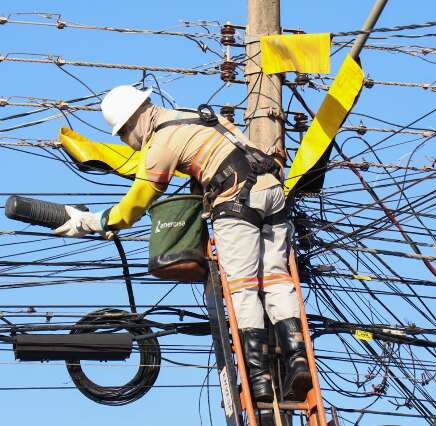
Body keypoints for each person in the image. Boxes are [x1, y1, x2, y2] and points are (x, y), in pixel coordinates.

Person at [54, 85, 312, 402]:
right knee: (274, 277)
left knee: (243, 286)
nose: (126, 142)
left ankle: (259, 379)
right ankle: (298, 358)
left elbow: (138, 201)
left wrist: (96, 222)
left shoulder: (159, 144)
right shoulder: (191, 115)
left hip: (235, 199)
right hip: (271, 189)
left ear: (135, 121)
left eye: (122, 134)